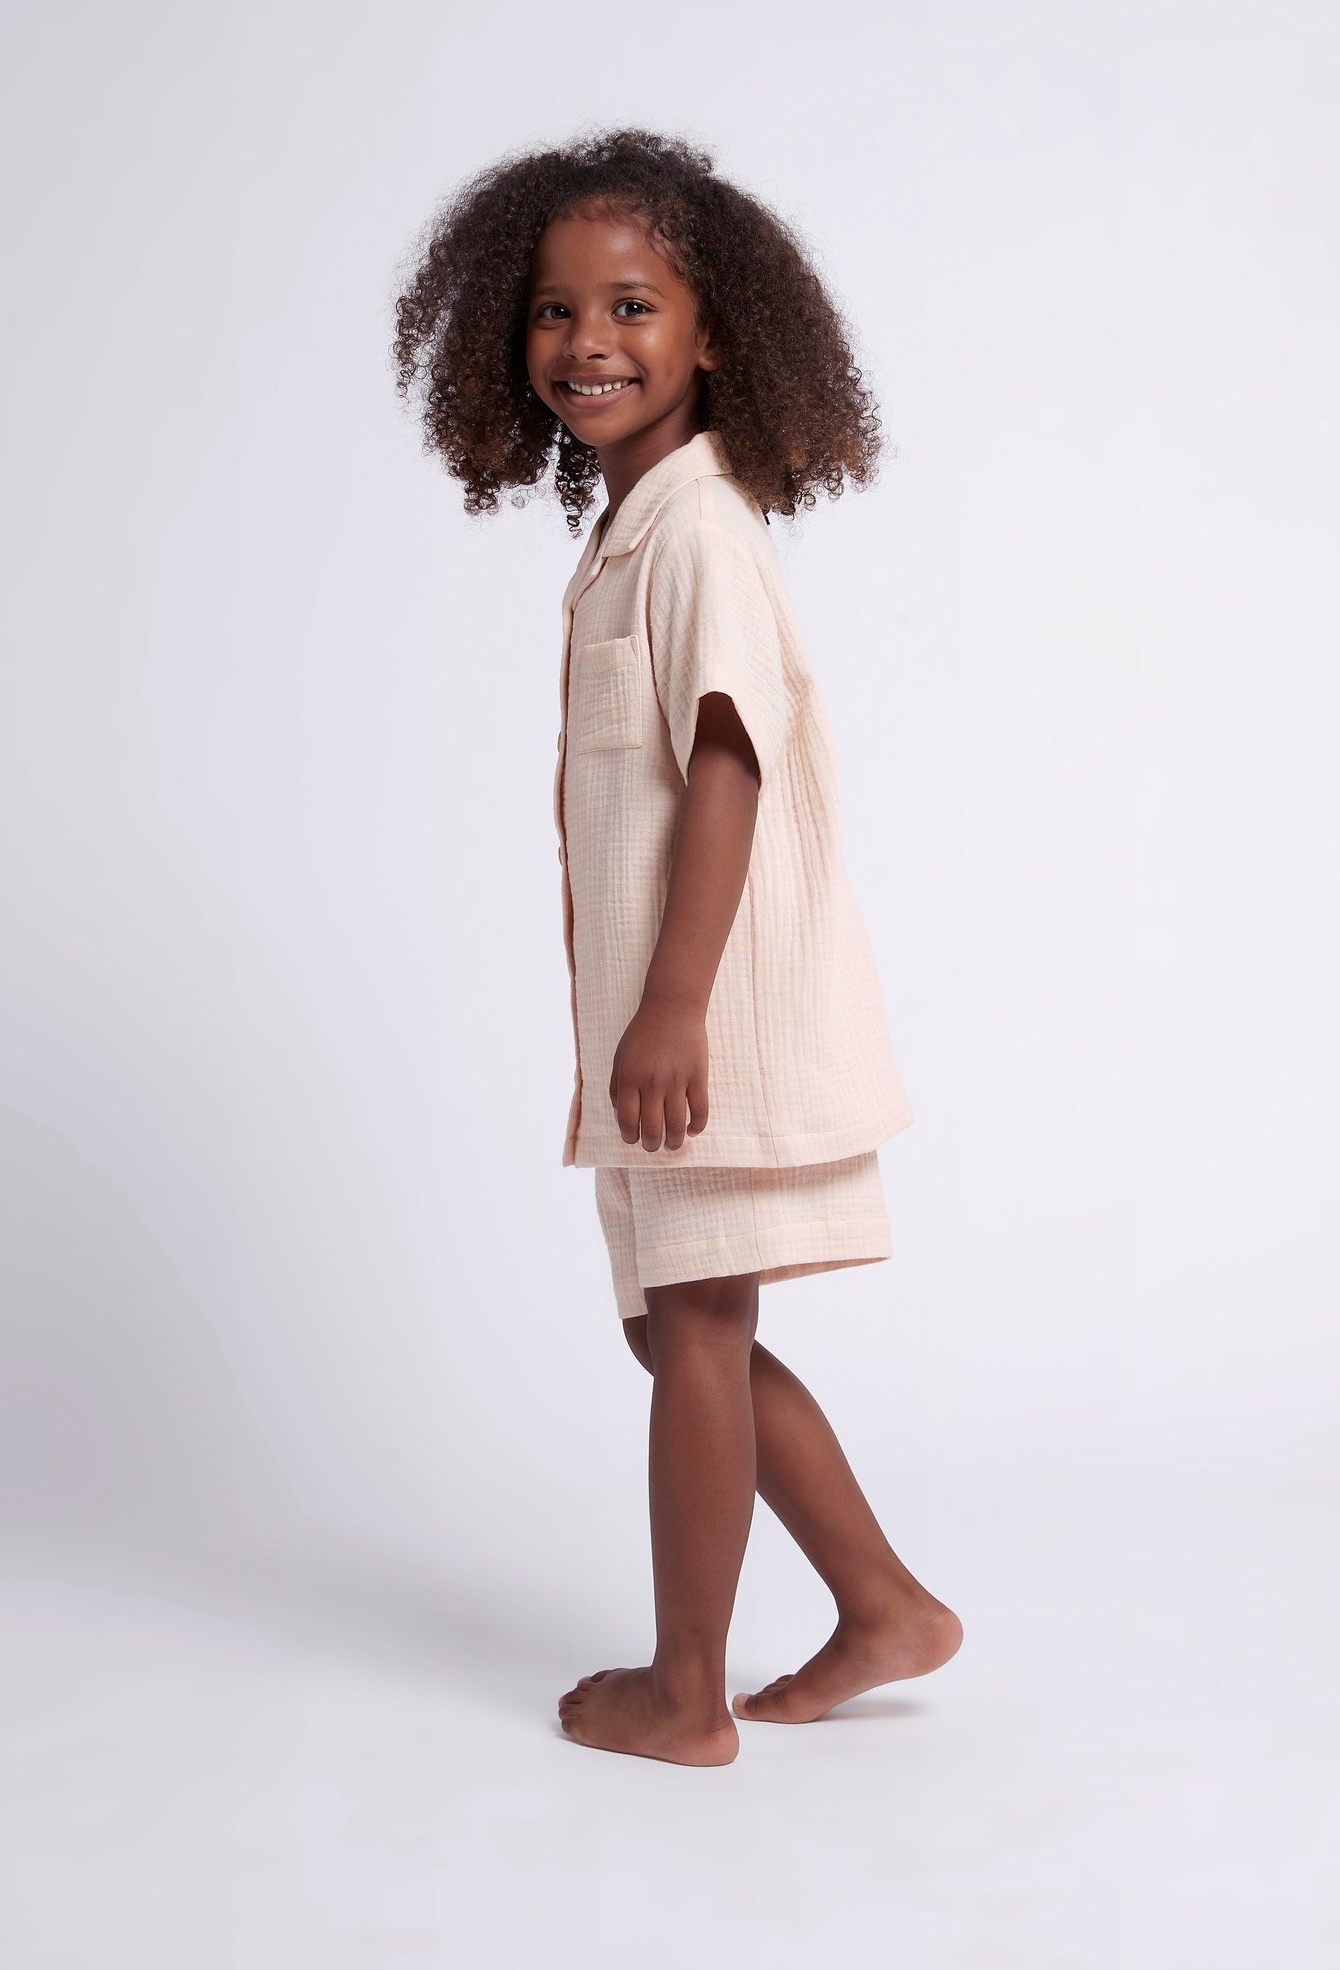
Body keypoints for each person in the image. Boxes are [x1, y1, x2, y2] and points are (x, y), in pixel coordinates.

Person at [392, 127, 962, 1768]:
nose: (588, 341)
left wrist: (670, 1006)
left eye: (632, 305)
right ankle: (882, 1605)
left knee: (694, 1329)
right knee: (675, 1325)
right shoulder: (637, 529)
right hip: (676, 1010)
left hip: (702, 1013)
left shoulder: (699, 533)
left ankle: (686, 1694)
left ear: (716, 335)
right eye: (554, 310)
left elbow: (728, 764)